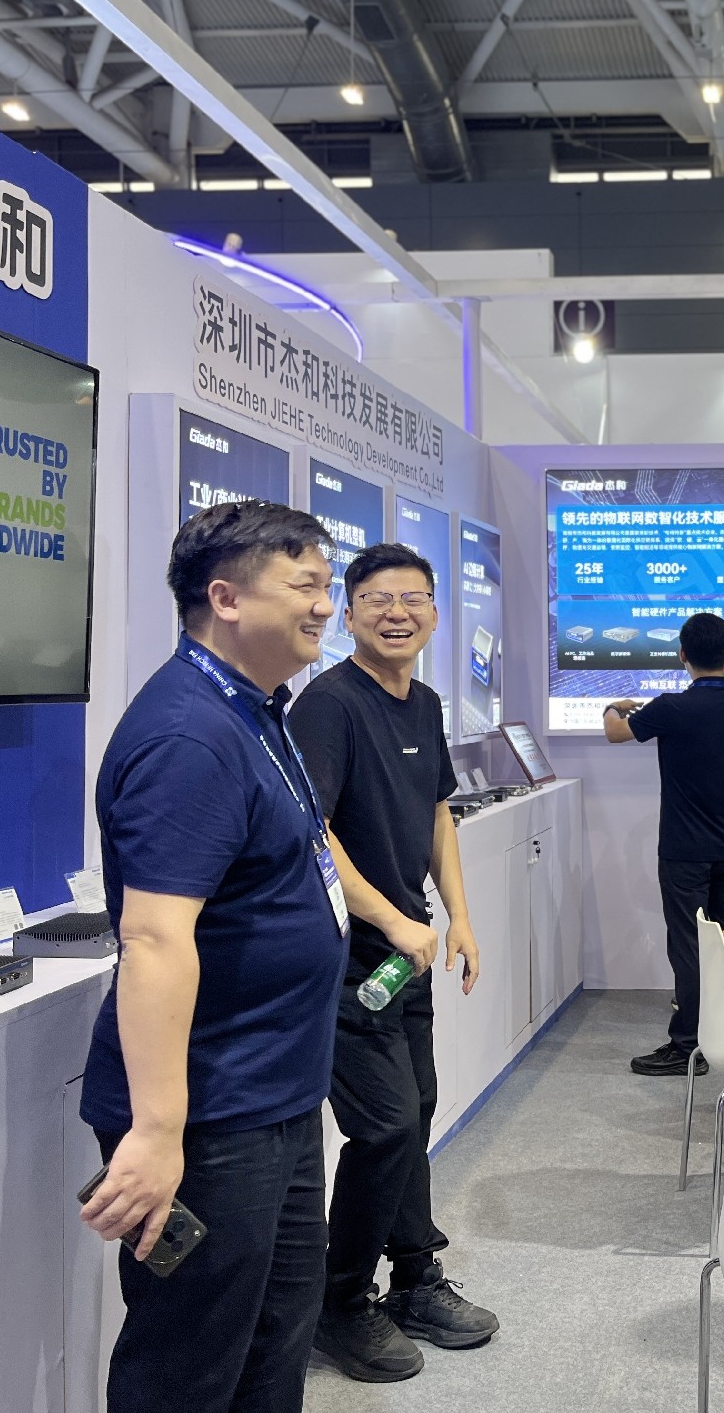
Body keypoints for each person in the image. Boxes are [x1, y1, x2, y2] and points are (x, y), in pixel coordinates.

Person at [78, 500, 347, 1413]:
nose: (326, 605)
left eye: (327, 584)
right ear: (226, 598)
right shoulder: (188, 735)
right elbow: (153, 938)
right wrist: (158, 1132)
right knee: (188, 1364)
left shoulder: (256, 711)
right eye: (305, 585)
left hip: (273, 1097)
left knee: (272, 1344)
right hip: (208, 1121)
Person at [287, 542, 495, 1383]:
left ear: (436, 614)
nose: (396, 612)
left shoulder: (426, 702)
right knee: (384, 1125)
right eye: (376, 598)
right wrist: (389, 918)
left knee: (418, 1108)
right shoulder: (328, 705)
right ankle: (338, 1303)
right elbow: (313, 834)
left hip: (405, 956)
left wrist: (457, 917)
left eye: (412, 598)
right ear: (348, 612)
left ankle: (414, 1278)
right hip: (345, 960)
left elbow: (438, 811)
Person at [603, 612, 724, 1077]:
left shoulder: (671, 707)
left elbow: (615, 732)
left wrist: (612, 706)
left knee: (689, 947)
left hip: (683, 850)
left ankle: (688, 1046)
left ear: (682, 656)